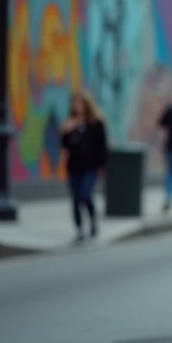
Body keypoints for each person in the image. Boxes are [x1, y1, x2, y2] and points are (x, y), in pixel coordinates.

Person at [60, 91, 109, 242]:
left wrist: (102, 166)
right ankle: (80, 229)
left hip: (91, 166)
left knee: (85, 194)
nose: (77, 106)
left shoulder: (96, 123)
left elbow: (102, 146)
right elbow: (65, 145)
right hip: (74, 166)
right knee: (75, 198)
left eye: (79, 103)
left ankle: (93, 220)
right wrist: (65, 131)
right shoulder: (70, 123)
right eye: (74, 103)